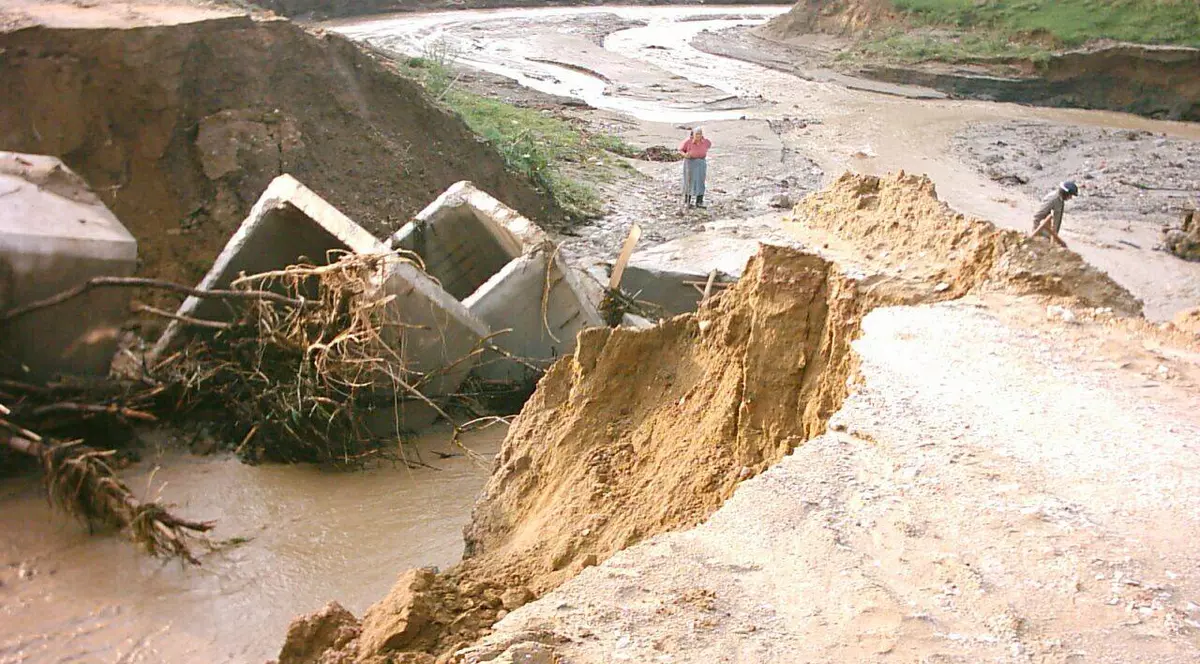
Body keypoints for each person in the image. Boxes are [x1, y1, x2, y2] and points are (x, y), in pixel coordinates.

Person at [1030, 180, 1079, 248]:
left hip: (1051, 235)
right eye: (1070, 195)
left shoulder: (1060, 200)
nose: (1070, 198)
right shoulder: (1053, 199)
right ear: (1065, 193)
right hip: (1043, 234)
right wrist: (1037, 234)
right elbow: (1037, 217)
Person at [680, 128, 712, 208]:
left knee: (700, 182)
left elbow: (708, 146)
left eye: (700, 134)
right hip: (690, 163)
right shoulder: (688, 141)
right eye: (696, 134)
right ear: (693, 134)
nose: (698, 136)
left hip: (701, 163)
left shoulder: (705, 142)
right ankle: (687, 202)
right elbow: (680, 150)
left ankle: (699, 202)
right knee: (689, 181)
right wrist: (685, 155)